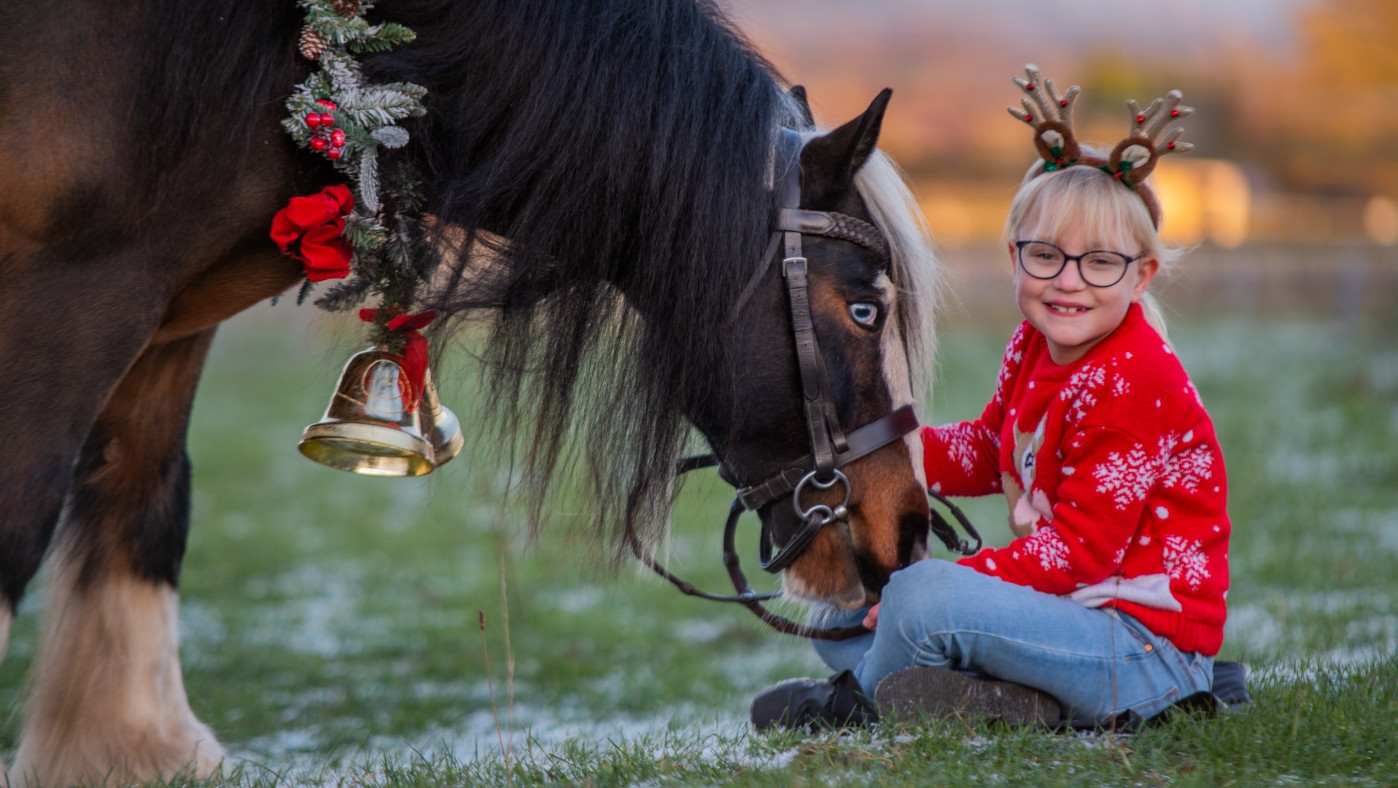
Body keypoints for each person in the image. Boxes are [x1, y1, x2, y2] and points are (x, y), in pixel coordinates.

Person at [751, 65, 1233, 732]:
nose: (1069, 283)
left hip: (1140, 650)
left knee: (921, 597)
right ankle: (1003, 704)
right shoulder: (1034, 347)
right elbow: (989, 446)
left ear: (1142, 272)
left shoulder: (1132, 383)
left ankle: (853, 707)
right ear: (1014, 257)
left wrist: (950, 587)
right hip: (1071, 624)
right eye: (1046, 257)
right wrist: (882, 452)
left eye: (1100, 262)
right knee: (851, 586)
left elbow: (1077, 557)